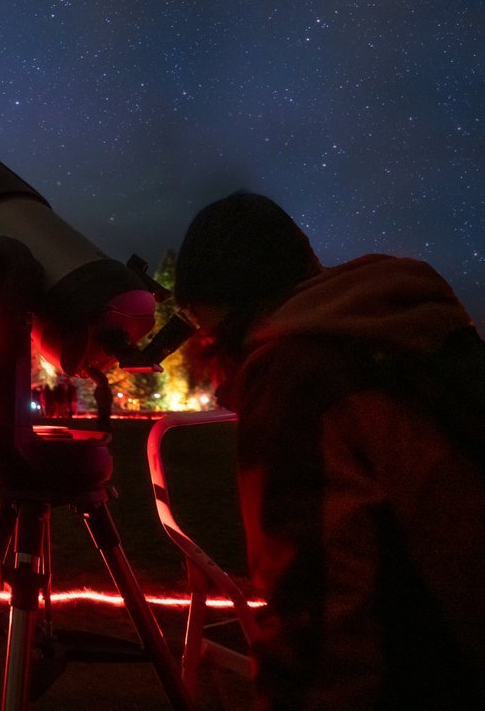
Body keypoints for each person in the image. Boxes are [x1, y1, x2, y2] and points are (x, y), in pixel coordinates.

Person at [174, 191, 485, 709]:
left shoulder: (296, 376)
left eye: (208, 334)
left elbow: (317, 630)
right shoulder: (406, 331)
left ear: (231, 310)